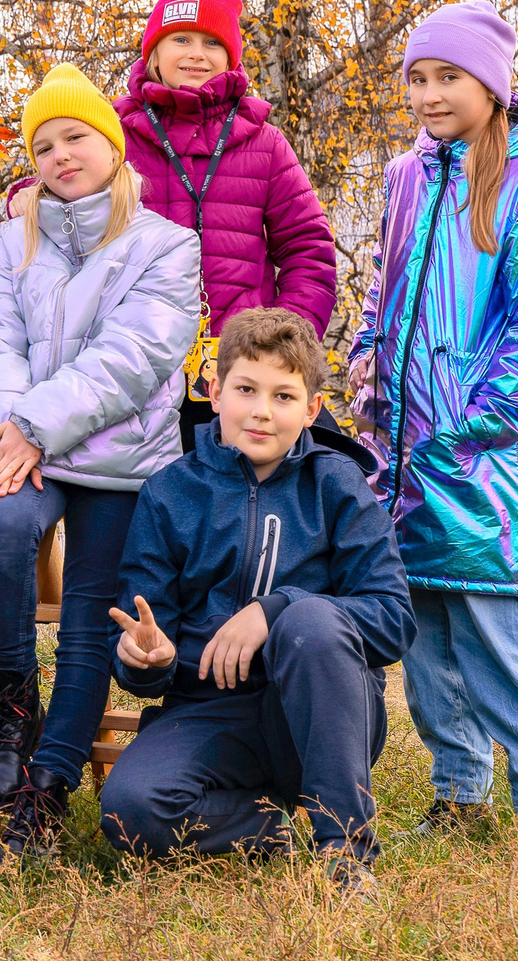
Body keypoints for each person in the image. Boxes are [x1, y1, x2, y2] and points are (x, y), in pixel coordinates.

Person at [349, 0, 518, 853]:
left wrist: (476, 422)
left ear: (489, 83)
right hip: (401, 445)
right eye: (417, 76)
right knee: (423, 626)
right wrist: (365, 369)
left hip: (479, 452)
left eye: (448, 76)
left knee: (491, 624)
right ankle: (457, 788)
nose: (429, 92)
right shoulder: (405, 176)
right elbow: (381, 288)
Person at [0, 64, 202, 852]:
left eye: (78, 137)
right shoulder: (14, 241)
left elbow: (132, 359)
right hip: (28, 449)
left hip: (122, 459)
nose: (62, 154)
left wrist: (35, 421)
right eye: (45, 143)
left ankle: (49, 787)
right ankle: (15, 702)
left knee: (93, 615)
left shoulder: (166, 244)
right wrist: (6, 436)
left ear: (112, 141)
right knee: (3, 530)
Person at [98, 310, 412, 891]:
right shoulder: (170, 493)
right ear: (213, 393)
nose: (262, 411)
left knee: (312, 621)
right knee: (130, 811)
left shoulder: (337, 484)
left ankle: (343, 846)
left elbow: (393, 618)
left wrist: (275, 609)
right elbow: (143, 639)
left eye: (284, 396)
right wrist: (148, 659)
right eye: (245, 389)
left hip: (321, 712)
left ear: (311, 410)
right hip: (208, 713)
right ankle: (267, 826)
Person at [113, 0, 337, 449]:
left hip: (241, 377)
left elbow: (308, 252)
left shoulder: (264, 142)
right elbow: (61, 182)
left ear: (231, 58)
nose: (197, 54)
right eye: (181, 39)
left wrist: (280, 347)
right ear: (153, 52)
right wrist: (28, 197)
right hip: (136, 369)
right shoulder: (114, 138)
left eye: (212, 43)